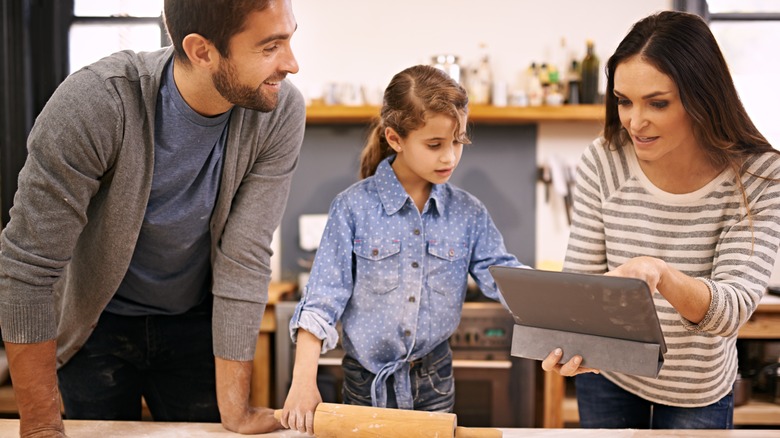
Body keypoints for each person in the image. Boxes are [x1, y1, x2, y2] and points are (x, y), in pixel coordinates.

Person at [0, 0, 304, 436]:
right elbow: (27, 265)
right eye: (270, 46)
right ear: (201, 50)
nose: (292, 63)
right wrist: (40, 426)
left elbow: (245, 255)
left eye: (290, 38)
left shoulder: (278, 111)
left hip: (195, 320)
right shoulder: (95, 104)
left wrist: (236, 410)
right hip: (94, 325)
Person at [541, 11, 780, 429]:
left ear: (702, 96)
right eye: (623, 101)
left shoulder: (758, 177)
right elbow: (581, 276)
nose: (635, 121)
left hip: (697, 393)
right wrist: (567, 338)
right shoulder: (605, 159)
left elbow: (733, 312)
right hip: (608, 375)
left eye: (658, 103)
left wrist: (658, 273)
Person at [279, 65, 525, 435]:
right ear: (395, 139)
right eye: (435, 145)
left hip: (435, 377)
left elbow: (505, 279)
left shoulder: (468, 212)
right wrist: (302, 381)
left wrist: (565, 320)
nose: (450, 157)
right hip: (365, 382)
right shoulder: (353, 208)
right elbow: (321, 301)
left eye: (458, 142)